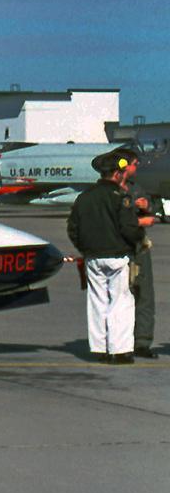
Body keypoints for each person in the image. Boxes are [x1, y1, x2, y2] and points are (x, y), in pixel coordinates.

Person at [67, 154, 144, 364]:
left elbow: (73, 228)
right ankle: (118, 351)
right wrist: (140, 239)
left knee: (97, 301)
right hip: (118, 256)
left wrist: (85, 248)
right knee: (121, 301)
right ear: (118, 173)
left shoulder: (84, 197)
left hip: (93, 257)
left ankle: (99, 349)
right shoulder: (121, 196)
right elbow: (128, 228)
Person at [111, 148, 158, 358]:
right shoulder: (108, 191)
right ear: (124, 166)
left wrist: (147, 206)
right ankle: (118, 341)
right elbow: (111, 221)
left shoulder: (136, 188)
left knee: (144, 294)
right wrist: (138, 220)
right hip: (118, 247)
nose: (137, 167)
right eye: (135, 164)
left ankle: (142, 342)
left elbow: (153, 211)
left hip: (139, 248)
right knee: (118, 297)